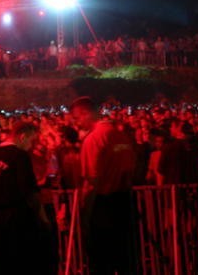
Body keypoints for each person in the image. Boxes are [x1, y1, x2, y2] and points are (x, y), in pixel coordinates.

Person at [0, 122, 51, 275]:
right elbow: (30, 191)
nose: (31, 146)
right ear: (22, 136)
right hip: (17, 222)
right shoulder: (20, 156)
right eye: (32, 141)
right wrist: (43, 219)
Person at [72, 96, 136, 275]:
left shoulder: (93, 139)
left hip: (102, 206)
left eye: (77, 118)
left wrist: (85, 212)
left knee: (101, 262)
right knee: (125, 260)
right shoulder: (121, 136)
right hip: (124, 202)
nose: (76, 123)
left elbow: (91, 180)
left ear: (86, 113)